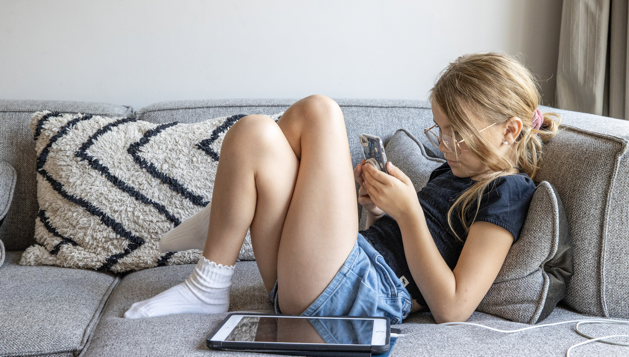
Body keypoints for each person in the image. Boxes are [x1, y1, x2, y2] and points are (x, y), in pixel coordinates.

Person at [124, 52, 560, 325]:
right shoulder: (456, 173)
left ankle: (225, 218)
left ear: (510, 130)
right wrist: (378, 211)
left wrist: (408, 214)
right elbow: (400, 243)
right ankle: (211, 278)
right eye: (440, 130)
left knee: (321, 112)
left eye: (455, 133)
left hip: (363, 294)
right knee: (253, 132)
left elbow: (453, 307)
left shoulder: (509, 192)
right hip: (327, 277)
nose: (444, 144)